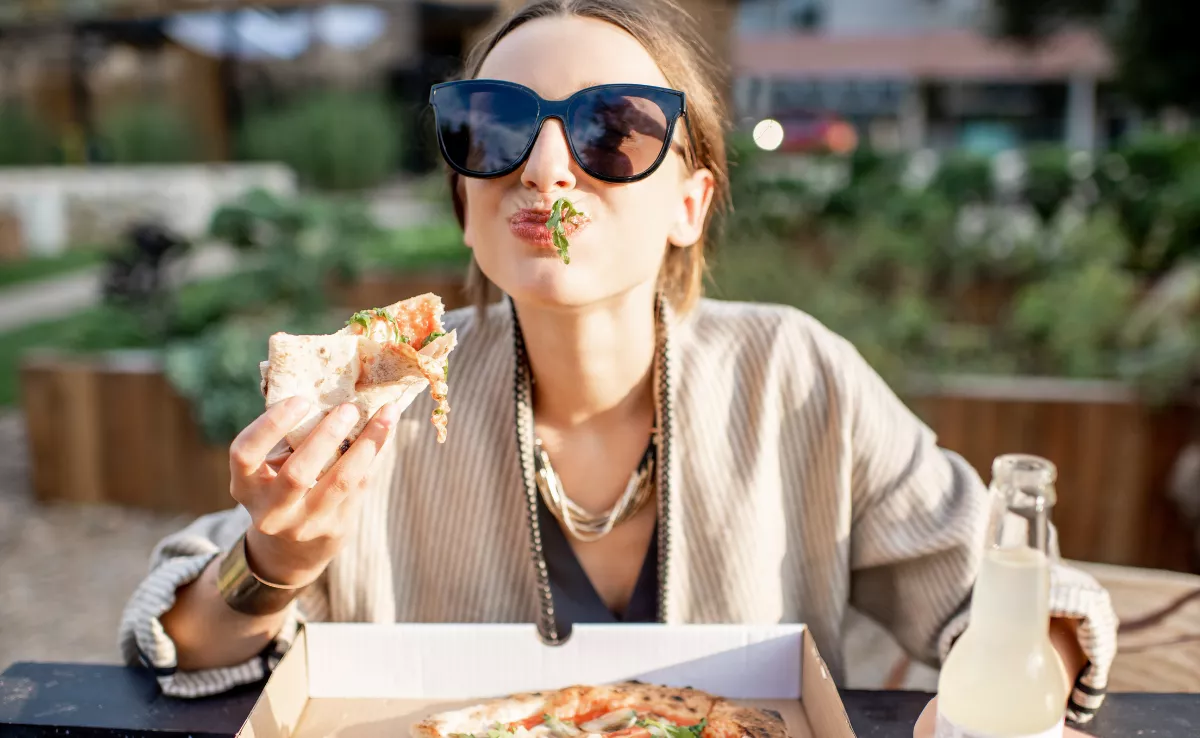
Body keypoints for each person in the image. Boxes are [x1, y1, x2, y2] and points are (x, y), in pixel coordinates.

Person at [119, 0, 1118, 732]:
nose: (546, 169)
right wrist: (279, 563)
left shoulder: (794, 378)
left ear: (692, 201)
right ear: (465, 202)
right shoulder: (383, 394)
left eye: (614, 129)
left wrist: (995, 701)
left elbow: (1010, 602)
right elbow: (187, 643)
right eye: (493, 125)